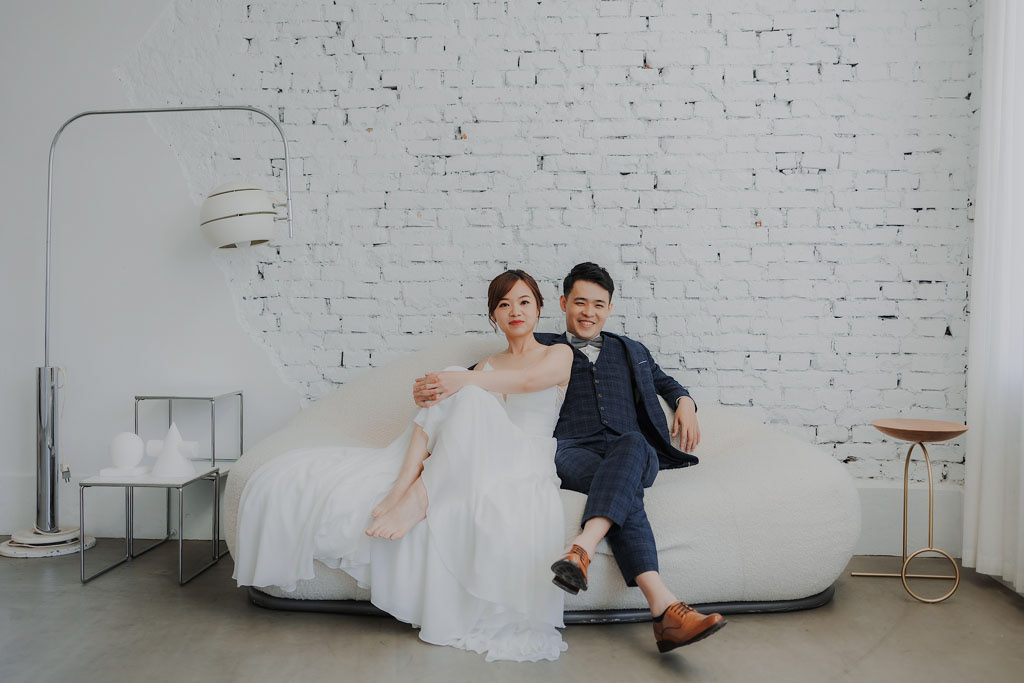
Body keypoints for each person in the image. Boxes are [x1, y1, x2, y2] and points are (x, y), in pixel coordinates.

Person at [233, 270, 573, 662]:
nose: (515, 311)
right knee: (458, 386)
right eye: (504, 304)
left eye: (524, 302)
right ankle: (403, 485)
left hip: (525, 459)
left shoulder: (557, 354)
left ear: (539, 308)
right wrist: (439, 389)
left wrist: (458, 381)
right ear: (493, 315)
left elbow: (529, 382)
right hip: (480, 458)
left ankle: (418, 497)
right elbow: (453, 413)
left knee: (463, 386)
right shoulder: (484, 366)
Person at [416, 262, 726, 653]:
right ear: (563, 303)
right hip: (572, 452)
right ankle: (665, 610)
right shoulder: (542, 347)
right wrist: (435, 388)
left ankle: (582, 548)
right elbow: (485, 375)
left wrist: (685, 402)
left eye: (598, 304)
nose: (588, 312)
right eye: (580, 302)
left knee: (632, 444)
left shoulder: (632, 350)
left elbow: (665, 382)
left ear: (609, 308)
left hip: (632, 450)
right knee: (625, 493)